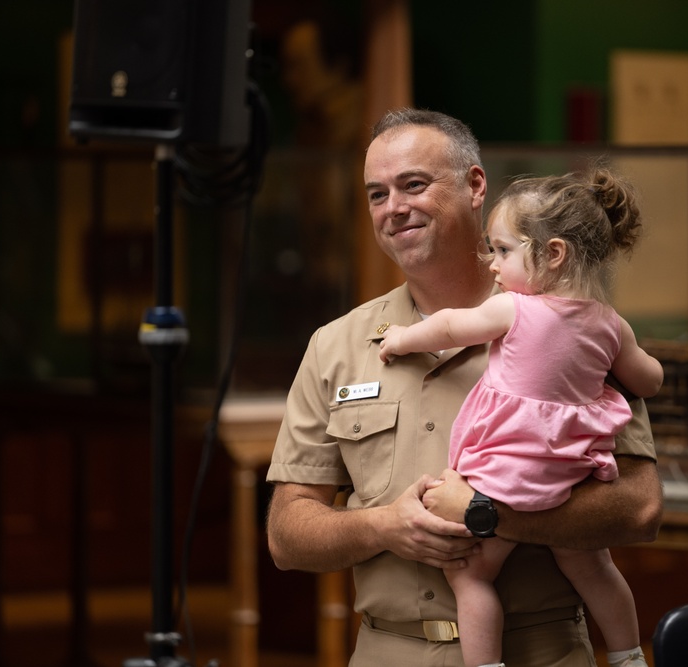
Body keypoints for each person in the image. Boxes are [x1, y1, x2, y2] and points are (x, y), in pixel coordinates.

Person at [265, 108, 664, 667]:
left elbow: (639, 511)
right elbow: (287, 536)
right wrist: (385, 526)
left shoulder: (579, 328)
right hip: (386, 652)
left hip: (543, 651)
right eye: (377, 194)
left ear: (475, 185)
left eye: (414, 184)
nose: (394, 207)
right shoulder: (336, 346)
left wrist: (485, 514)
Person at [377, 166, 663, 667]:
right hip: (571, 474)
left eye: (504, 251)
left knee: (471, 577)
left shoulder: (514, 309)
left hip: (504, 478)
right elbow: (648, 380)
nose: (493, 265)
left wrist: (401, 339)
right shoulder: (611, 324)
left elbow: (448, 327)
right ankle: (628, 655)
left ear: (553, 254)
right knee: (593, 567)